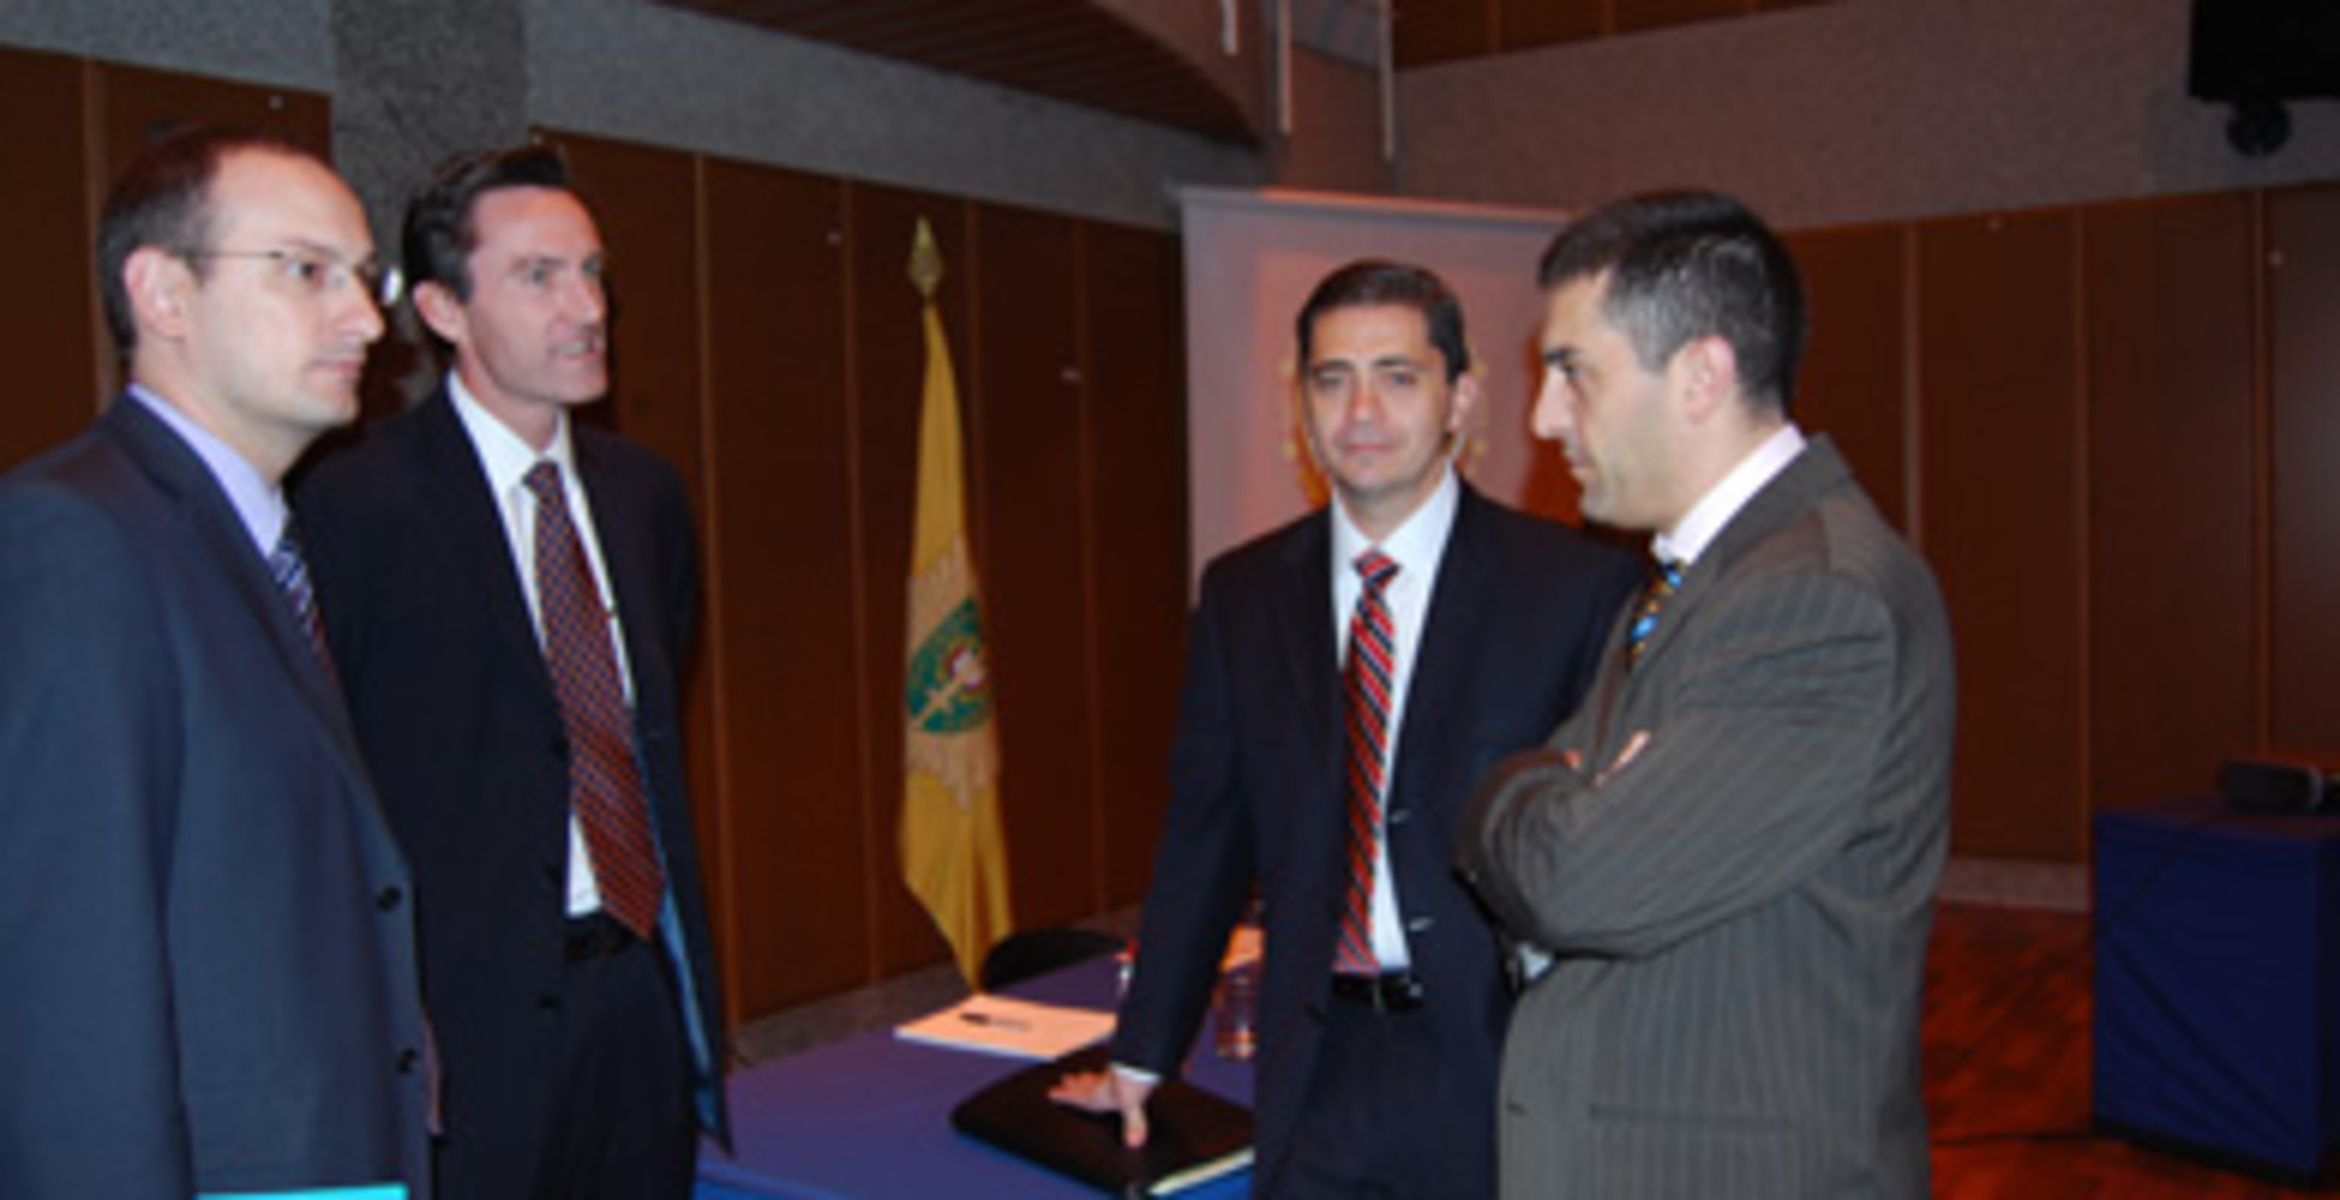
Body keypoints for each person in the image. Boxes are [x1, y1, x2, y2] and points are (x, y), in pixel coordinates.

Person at [1053, 260, 1641, 1197]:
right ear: (1303, 406)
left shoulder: (1572, 590)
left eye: (1397, 377)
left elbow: (1609, 860)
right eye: (1333, 380)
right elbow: (1205, 836)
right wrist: (1142, 1052)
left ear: (1460, 399)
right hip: (1312, 1065)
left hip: (1497, 1067)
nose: (1361, 411)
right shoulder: (1243, 596)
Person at [1458, 190, 1956, 1198]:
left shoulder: (1814, 598)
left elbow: (1577, 883)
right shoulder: (1702, 577)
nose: (1543, 417)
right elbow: (1578, 839)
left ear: (1701, 375)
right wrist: (1565, 801)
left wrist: (1500, 791)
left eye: (1572, 372)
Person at [0, 126, 433, 1197]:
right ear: (163, 294)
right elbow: (68, 985)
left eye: (365, 278)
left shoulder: (257, 540)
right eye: (306, 271)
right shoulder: (78, 538)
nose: (365, 319)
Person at [295, 145, 726, 1200]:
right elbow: (323, 790)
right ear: (442, 308)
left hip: (638, 993)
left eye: (593, 272)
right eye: (539, 277)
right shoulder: (354, 508)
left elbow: (649, 706)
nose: (587, 309)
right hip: (463, 1030)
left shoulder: (643, 496)